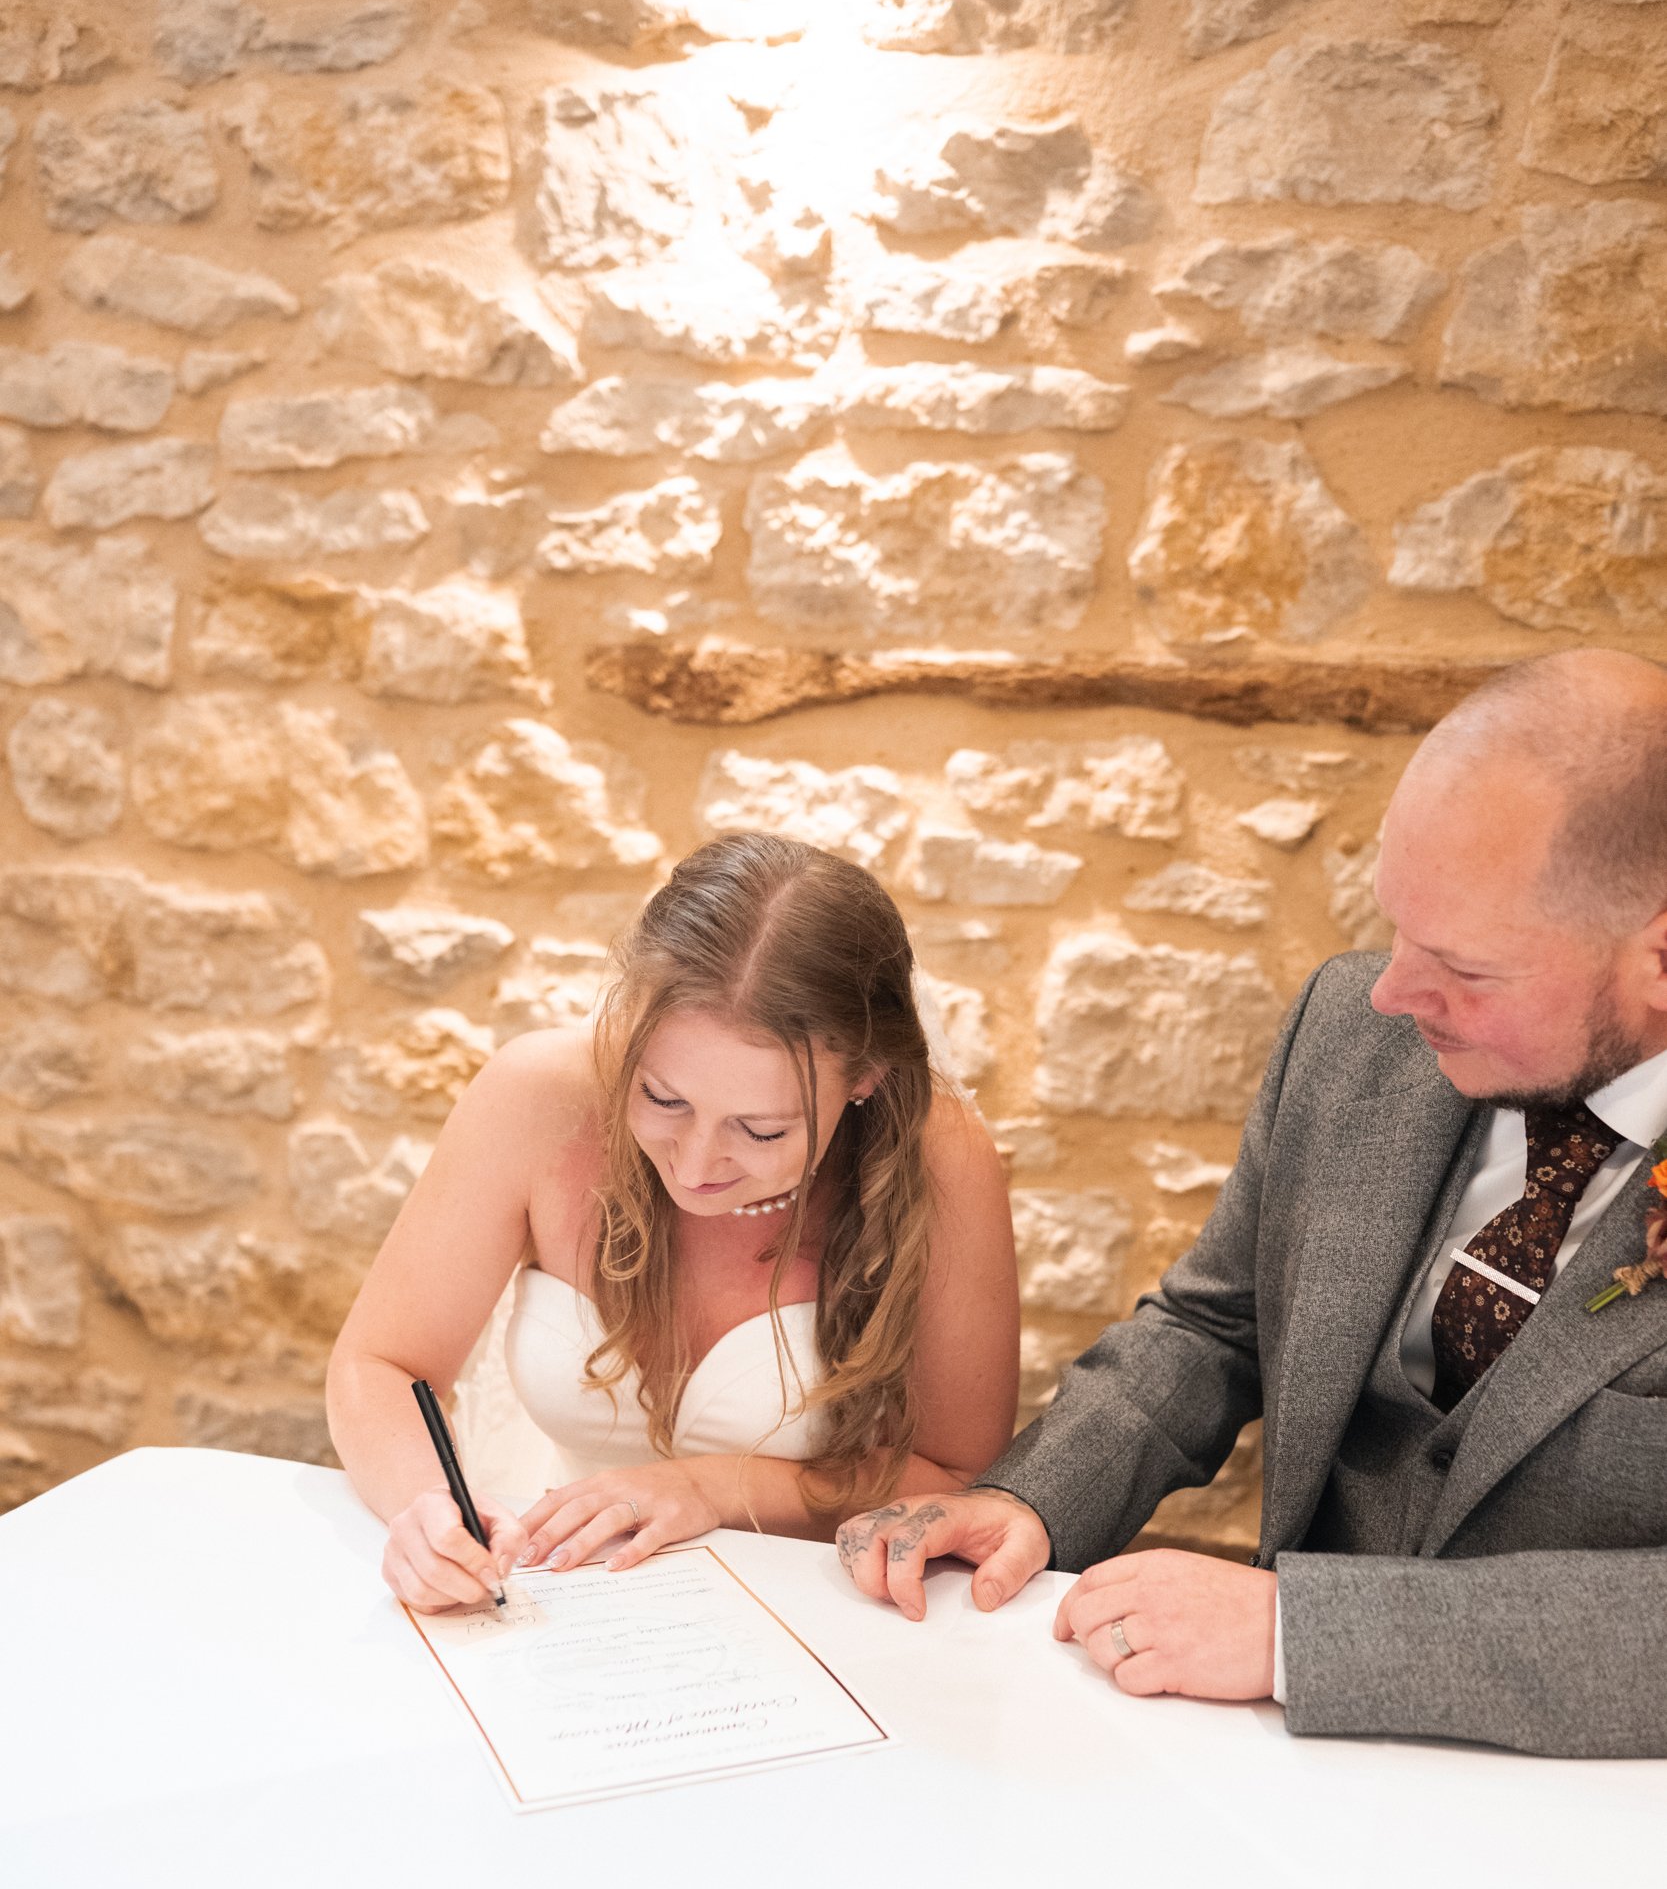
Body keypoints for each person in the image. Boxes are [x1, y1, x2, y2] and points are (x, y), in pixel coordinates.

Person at [836, 649, 1667, 1757]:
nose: (1388, 993)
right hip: (1282, 1776)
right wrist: (1034, 1501)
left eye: (1462, 968)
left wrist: (1297, 1633)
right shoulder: (1349, 1031)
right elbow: (1213, 1325)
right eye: (1394, 929)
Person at [327, 832, 1019, 1613]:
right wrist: (425, 1505)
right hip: (560, 1602)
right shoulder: (535, 1097)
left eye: (761, 1131)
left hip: (816, 1623)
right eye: (662, 1098)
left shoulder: (940, 1157)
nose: (693, 1166)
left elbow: (962, 1478)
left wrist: (712, 1487)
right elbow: (381, 1364)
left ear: (863, 1078)